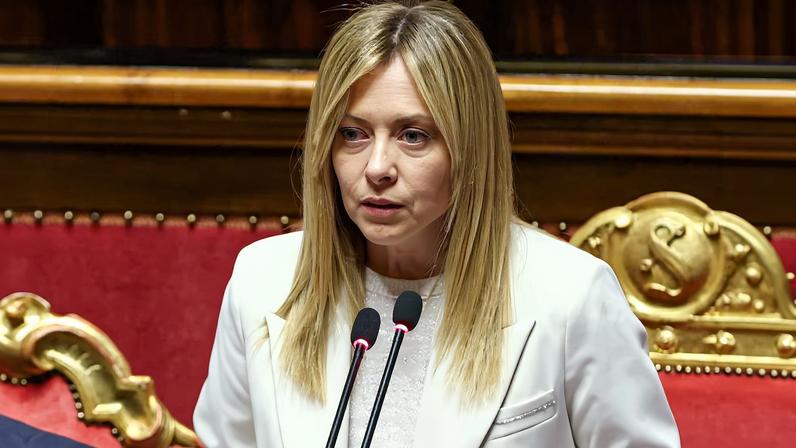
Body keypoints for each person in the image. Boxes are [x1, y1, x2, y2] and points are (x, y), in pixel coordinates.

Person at [193, 1, 680, 447]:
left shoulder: (571, 297)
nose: (377, 167)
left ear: (469, 148)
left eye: (413, 135)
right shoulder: (261, 281)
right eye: (353, 133)